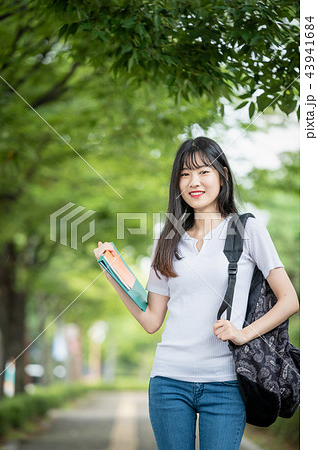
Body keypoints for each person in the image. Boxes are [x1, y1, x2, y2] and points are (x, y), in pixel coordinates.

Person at [94, 137, 299, 450]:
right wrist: (114, 273)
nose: (194, 182)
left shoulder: (247, 230)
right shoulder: (166, 239)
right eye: (185, 174)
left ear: (223, 176)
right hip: (169, 381)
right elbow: (151, 321)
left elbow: (289, 300)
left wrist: (243, 333)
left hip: (226, 383)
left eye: (203, 171)